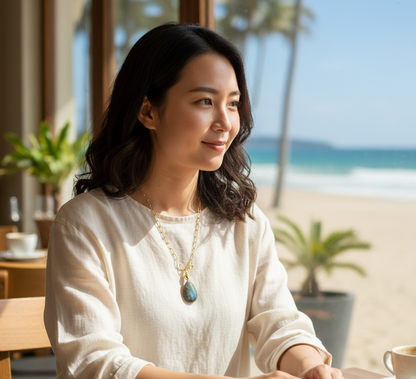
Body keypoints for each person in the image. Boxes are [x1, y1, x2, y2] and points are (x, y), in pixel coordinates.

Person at [44, 23, 341, 379]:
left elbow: (280, 323)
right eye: (204, 101)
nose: (225, 122)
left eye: (232, 104)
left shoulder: (243, 222)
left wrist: (309, 366)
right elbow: (95, 364)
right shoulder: (84, 224)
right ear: (148, 112)